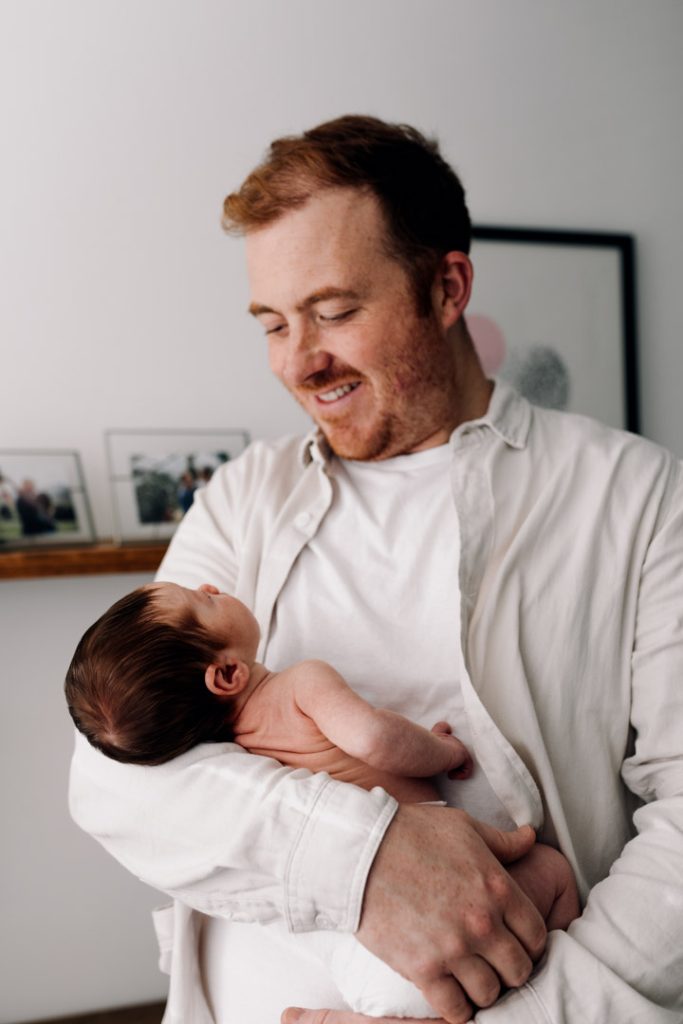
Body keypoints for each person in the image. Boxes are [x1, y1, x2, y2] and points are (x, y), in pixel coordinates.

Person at [68, 115, 683, 1024]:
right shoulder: (241, 496)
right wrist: (367, 859)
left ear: (446, 287)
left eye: (334, 312)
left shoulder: (636, 495)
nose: (299, 361)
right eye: (272, 323)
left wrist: (526, 1018)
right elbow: (114, 773)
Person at [65, 578, 578, 1017]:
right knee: (553, 873)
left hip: (355, 940)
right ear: (227, 675)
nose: (210, 586)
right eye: (204, 601)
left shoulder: (234, 750)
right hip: (435, 911)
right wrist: (441, 750)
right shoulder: (301, 685)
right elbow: (375, 738)